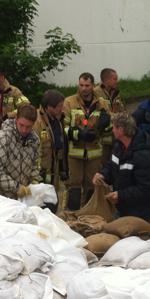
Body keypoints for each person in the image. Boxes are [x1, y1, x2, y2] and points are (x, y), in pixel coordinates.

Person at [93, 111, 150, 229]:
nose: (112, 130)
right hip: (125, 209)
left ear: (121, 130)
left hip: (141, 214)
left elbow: (147, 189)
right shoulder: (119, 146)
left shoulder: (143, 156)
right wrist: (103, 175)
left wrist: (120, 195)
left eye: (113, 127)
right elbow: (112, 165)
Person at [63, 73, 112, 210]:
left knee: (92, 186)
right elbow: (63, 128)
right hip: (74, 155)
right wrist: (79, 134)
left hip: (94, 154)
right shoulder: (69, 102)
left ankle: (88, 217)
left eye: (87, 85)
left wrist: (106, 124)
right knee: (74, 188)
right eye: (81, 85)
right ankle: (72, 217)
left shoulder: (102, 104)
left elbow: (109, 131)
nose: (83, 88)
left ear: (93, 85)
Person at [0, 104, 41, 200]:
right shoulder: (2, 138)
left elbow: (35, 165)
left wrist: (34, 181)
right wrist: (16, 187)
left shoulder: (34, 140)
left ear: (33, 124)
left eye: (28, 126)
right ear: (16, 119)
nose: (24, 130)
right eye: (21, 125)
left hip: (18, 199)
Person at [33, 90, 66, 196]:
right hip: (41, 173)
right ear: (49, 107)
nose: (62, 109)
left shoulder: (57, 120)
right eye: (59, 106)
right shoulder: (37, 122)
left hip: (54, 172)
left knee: (53, 202)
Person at [95, 68, 125, 165]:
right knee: (102, 167)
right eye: (115, 79)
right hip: (103, 141)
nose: (118, 81)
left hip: (116, 139)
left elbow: (122, 111)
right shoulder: (96, 94)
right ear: (106, 80)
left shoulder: (115, 94)